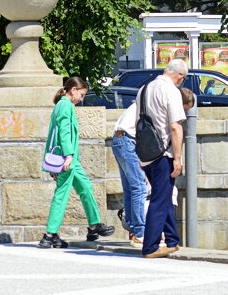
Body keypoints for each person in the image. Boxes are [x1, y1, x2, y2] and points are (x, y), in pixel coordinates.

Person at [113, 85, 196, 249]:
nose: (183, 115)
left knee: (130, 189)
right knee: (139, 188)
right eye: (184, 110)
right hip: (130, 140)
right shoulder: (164, 105)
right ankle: (140, 233)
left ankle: (133, 228)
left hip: (119, 139)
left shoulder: (150, 100)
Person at [39, 76, 115, 249]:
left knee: (85, 186)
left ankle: (94, 225)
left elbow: (54, 134)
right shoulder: (66, 106)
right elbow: (64, 133)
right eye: (81, 95)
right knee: (62, 194)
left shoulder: (61, 106)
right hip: (69, 159)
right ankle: (49, 234)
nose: (82, 99)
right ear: (73, 90)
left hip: (69, 159)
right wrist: (68, 156)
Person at [138, 58, 188, 259]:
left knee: (164, 194)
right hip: (163, 152)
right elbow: (175, 127)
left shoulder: (144, 88)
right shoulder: (171, 91)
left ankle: (172, 239)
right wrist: (177, 158)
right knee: (160, 198)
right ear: (180, 76)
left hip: (146, 151)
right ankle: (150, 246)